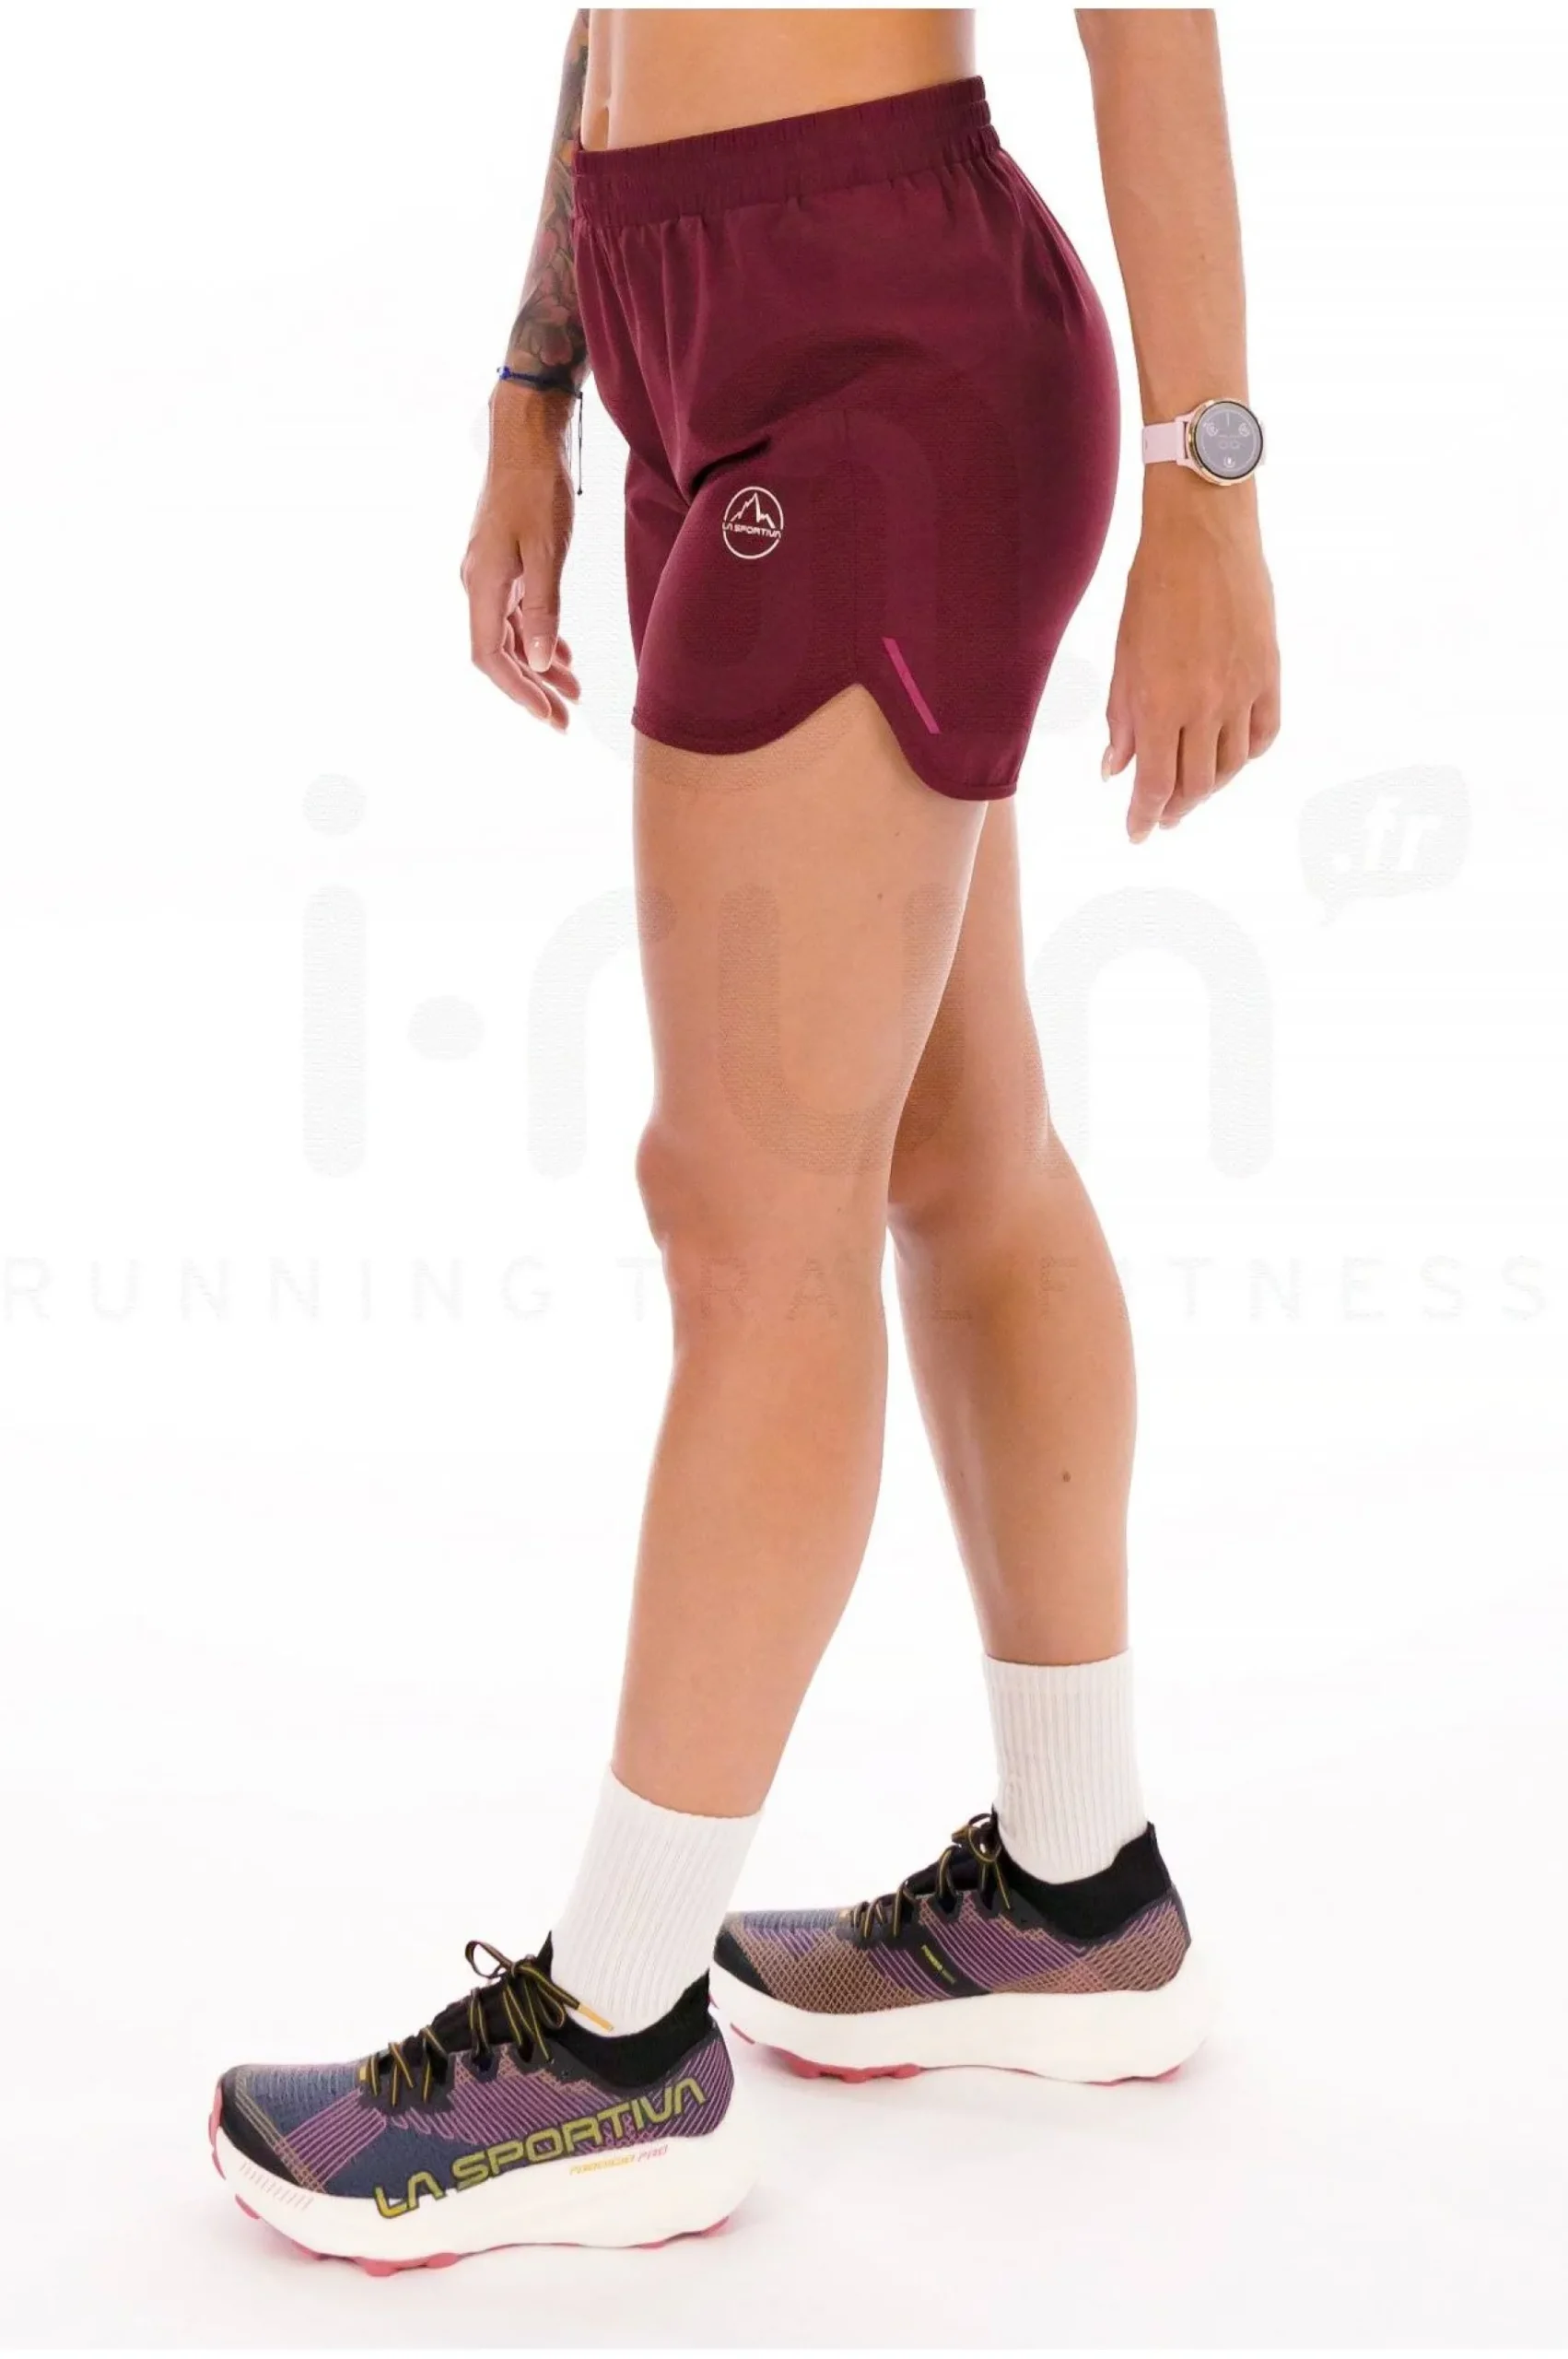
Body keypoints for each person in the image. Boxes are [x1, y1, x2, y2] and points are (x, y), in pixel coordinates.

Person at [212, 7, 1279, 2267]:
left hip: (873, 336)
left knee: (744, 1205)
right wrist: (534, 384)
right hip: (694, 324)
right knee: (957, 1144)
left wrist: (1209, 483)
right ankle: (1073, 1887)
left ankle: (611, 2037)